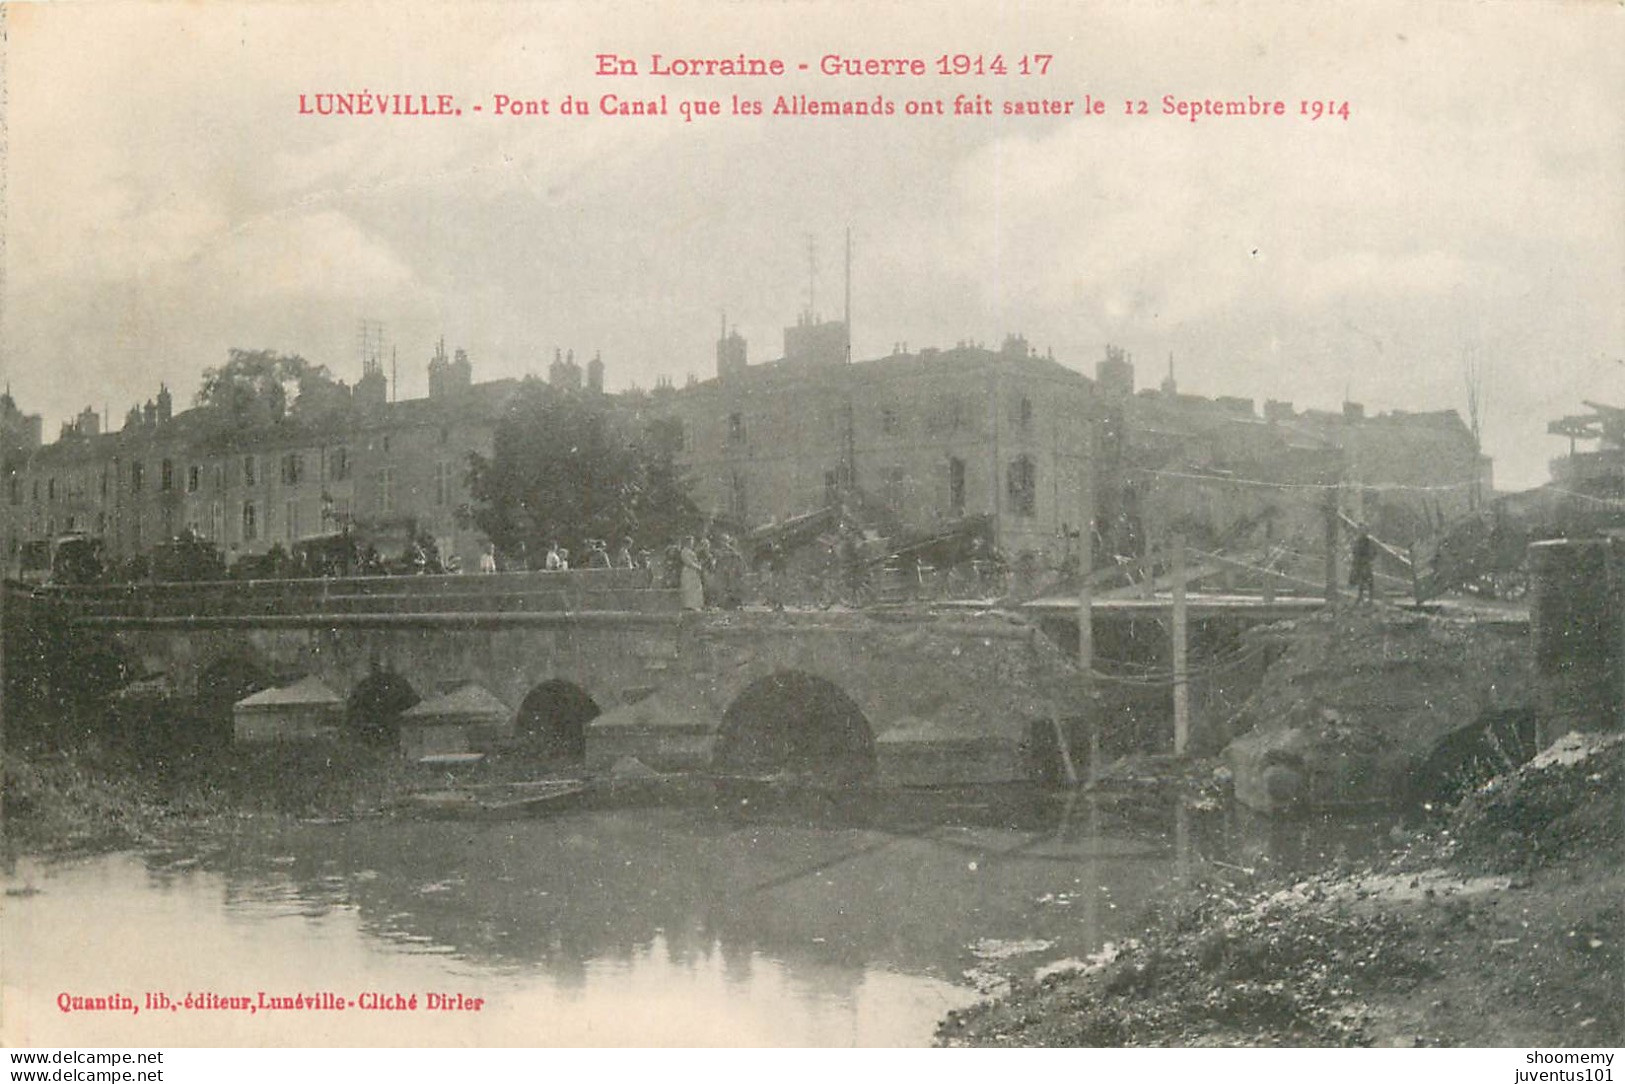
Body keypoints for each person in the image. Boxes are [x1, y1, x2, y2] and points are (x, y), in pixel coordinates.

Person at [1350, 529, 1376, 603]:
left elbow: (1374, 552)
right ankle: (1361, 597)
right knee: (1361, 581)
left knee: (1369, 581)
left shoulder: (1369, 542)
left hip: (1365, 563)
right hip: (1360, 563)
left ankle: (1370, 598)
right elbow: (1355, 552)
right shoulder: (1358, 541)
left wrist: (1370, 559)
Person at [679, 536, 705, 610]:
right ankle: (689, 605)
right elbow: (688, 562)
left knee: (695, 587)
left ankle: (696, 605)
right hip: (688, 571)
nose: (692, 543)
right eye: (691, 542)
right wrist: (697, 567)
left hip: (693, 571)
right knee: (689, 587)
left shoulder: (690, 551)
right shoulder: (684, 551)